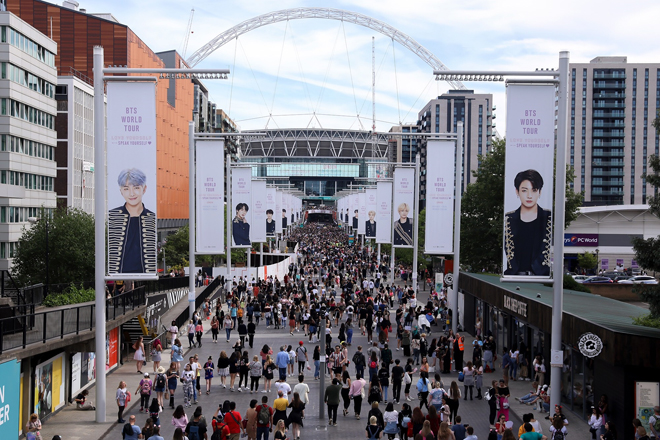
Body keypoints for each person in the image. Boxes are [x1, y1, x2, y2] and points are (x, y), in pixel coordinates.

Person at [108, 168, 157, 274]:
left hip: (145, 276)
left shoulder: (152, 217)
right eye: (126, 189)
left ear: (144, 189)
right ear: (121, 191)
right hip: (119, 276)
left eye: (136, 188)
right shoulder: (112, 215)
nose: (131, 193)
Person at [504, 169, 552, 276]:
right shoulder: (509, 219)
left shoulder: (548, 217)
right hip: (513, 277)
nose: (529, 196)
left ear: (540, 192)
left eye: (534, 190)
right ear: (517, 191)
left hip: (541, 277)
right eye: (524, 190)